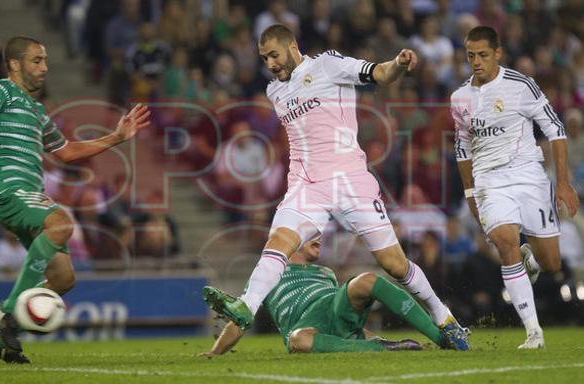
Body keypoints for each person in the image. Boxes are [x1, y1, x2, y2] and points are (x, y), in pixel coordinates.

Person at [203, 24, 469, 350]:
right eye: (264, 58)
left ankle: (444, 318)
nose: (270, 63)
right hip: (306, 185)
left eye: (274, 54)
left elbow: (380, 74)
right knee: (278, 242)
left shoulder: (328, 65)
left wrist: (398, 63)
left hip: (349, 180)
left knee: (394, 264)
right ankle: (246, 306)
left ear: (292, 46)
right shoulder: (275, 91)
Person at [0, 36, 151, 363]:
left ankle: (0, 337)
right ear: (14, 64)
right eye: (37, 60)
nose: (45, 68)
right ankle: (8, 313)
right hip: (7, 186)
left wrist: (118, 137)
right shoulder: (1, 90)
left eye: (46, 60)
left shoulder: (37, 111)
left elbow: (66, 152)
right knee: (62, 223)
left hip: (29, 196)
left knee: (64, 277)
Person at [450, 26, 579, 349]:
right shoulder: (460, 98)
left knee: (551, 263)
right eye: (470, 56)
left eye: (482, 55)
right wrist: (469, 192)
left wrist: (563, 183)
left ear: (498, 53)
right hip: (489, 180)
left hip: (529, 176)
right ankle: (534, 332)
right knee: (506, 242)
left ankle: (531, 260)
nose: (476, 62)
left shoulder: (521, 85)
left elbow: (556, 130)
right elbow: (463, 148)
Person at [200, 241, 463, 357]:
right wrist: (215, 352)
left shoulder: (325, 272)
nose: (320, 237)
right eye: (311, 233)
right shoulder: (265, 276)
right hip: (305, 326)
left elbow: (347, 320)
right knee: (297, 339)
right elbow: (240, 319)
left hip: (332, 307)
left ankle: (444, 337)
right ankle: (384, 348)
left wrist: (364, 332)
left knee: (368, 279)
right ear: (292, 240)